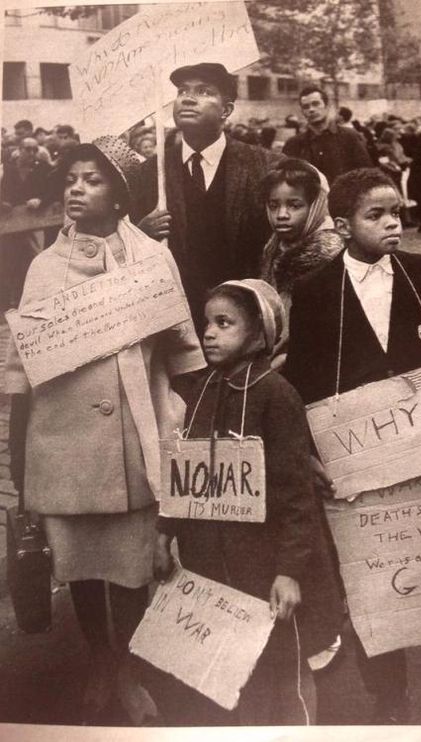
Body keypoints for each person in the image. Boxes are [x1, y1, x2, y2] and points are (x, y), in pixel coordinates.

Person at [5, 135, 205, 726]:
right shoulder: (44, 266)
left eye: (92, 180)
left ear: (120, 196)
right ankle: (99, 659)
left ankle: (130, 669)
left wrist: (179, 422)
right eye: (71, 179)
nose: (76, 188)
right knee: (81, 564)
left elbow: (185, 352)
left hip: (136, 440)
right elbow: (23, 367)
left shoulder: (151, 259)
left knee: (132, 565)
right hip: (64, 444)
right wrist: (20, 461)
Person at [284, 167, 421, 723]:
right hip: (357, 461)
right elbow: (307, 376)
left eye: (397, 212)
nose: (393, 223)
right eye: (376, 215)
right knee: (371, 578)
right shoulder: (316, 291)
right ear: (341, 226)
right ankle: (388, 700)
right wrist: (309, 450)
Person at [154, 278, 343, 726]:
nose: (209, 333)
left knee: (282, 673)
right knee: (227, 674)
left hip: (265, 567)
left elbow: (297, 495)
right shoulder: (200, 390)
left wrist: (289, 571)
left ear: (259, 334)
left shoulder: (277, 396)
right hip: (212, 566)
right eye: (207, 323)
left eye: (225, 323)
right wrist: (164, 535)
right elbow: (185, 473)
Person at [131, 62, 282, 335]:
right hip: (177, 322)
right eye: (181, 91)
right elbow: (125, 247)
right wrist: (141, 233)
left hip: (247, 317)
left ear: (226, 110)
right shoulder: (148, 174)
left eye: (203, 91)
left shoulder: (265, 166)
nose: (187, 98)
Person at [260, 158, 343, 366]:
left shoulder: (329, 254)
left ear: (317, 205)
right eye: (273, 205)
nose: (282, 215)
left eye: (294, 205)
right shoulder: (273, 245)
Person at [0, 137, 53, 308]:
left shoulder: (43, 168)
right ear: (20, 150)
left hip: (36, 220)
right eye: (27, 149)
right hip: (11, 224)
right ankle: (11, 302)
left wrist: (41, 200)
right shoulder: (9, 170)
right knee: (11, 261)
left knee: (36, 258)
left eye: (34, 149)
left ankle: (39, 300)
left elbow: (52, 190)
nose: (31, 153)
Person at [282, 86, 371, 184]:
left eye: (316, 104)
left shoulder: (350, 137)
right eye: (306, 107)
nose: (311, 109)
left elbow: (366, 174)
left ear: (327, 106)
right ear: (302, 112)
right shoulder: (294, 144)